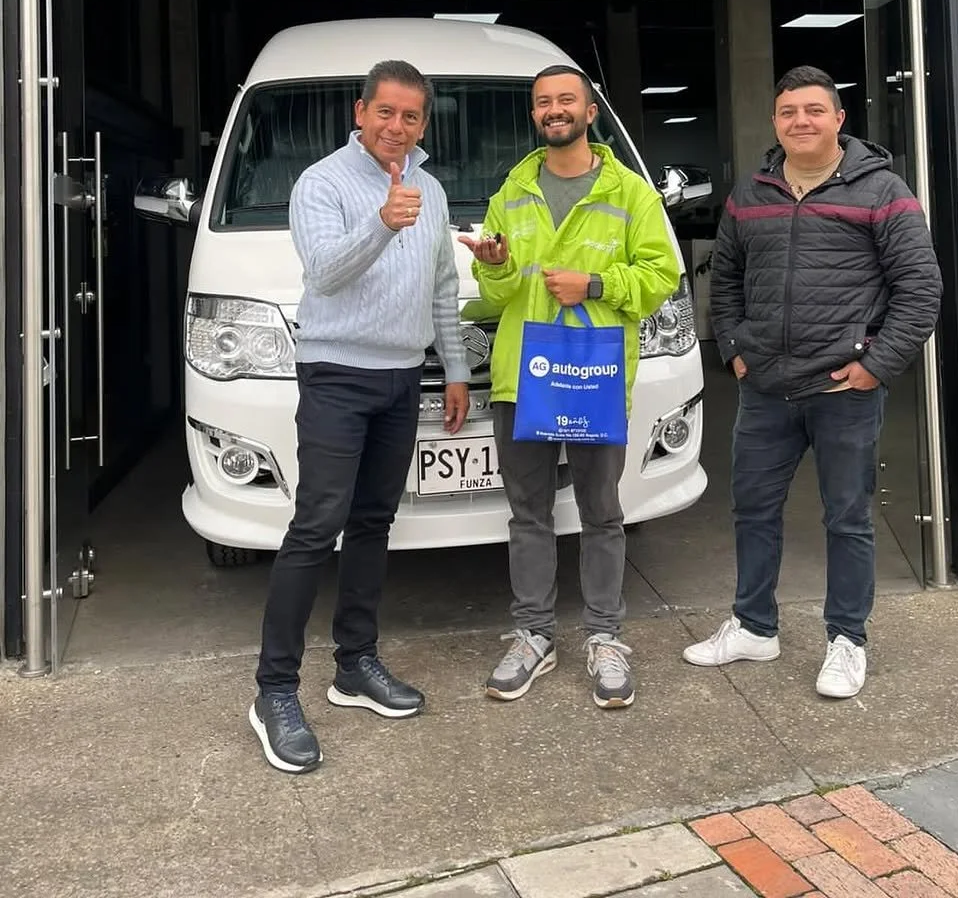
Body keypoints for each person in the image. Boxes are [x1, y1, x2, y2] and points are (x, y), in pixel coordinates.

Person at [684, 65, 941, 699]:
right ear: (775, 122)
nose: (801, 121)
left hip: (842, 392)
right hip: (765, 390)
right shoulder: (752, 192)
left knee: (847, 518)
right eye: (788, 111)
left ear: (838, 119)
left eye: (813, 110)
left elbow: (920, 289)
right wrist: (738, 349)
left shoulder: (882, 191)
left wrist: (874, 366)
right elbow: (728, 280)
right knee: (753, 512)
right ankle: (753, 626)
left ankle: (847, 640)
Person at [250, 59, 470, 773]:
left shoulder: (431, 190)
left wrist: (457, 369)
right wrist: (379, 223)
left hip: (402, 378)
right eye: (386, 113)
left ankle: (355, 665)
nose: (396, 127)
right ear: (360, 111)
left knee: (374, 523)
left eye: (411, 117)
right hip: (336, 377)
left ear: (423, 124)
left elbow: (441, 286)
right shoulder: (322, 183)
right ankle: (274, 690)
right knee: (316, 526)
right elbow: (326, 272)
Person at [461, 65, 679, 709]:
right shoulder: (513, 190)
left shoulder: (630, 193)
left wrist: (596, 286)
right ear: (535, 116)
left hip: (594, 372)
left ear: (590, 111)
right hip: (523, 378)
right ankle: (532, 634)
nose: (554, 110)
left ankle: (605, 636)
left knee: (601, 513)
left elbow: (660, 274)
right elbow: (497, 296)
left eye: (566, 101)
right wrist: (494, 267)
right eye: (543, 103)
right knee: (527, 513)